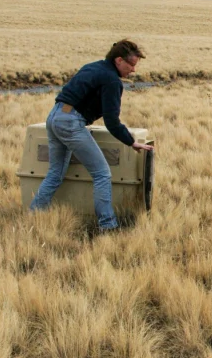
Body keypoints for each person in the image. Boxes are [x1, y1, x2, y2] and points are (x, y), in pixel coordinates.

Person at [29, 39, 154, 231]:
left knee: (55, 174)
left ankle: (33, 216)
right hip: (70, 123)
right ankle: (108, 225)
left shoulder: (93, 67)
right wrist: (131, 142)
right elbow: (112, 121)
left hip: (54, 116)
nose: (133, 70)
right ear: (119, 60)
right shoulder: (112, 80)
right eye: (131, 65)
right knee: (102, 173)